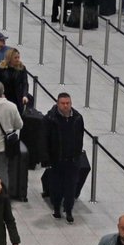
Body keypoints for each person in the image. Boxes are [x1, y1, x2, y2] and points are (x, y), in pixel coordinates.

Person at [44, 92, 85, 223]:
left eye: (68, 103)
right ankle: (56, 208)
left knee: (71, 186)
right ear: (57, 103)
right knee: (56, 186)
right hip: (57, 159)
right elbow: (44, 139)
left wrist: (78, 154)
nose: (66, 106)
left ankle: (68, 210)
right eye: (63, 103)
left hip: (72, 160)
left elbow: (80, 137)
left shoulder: (78, 118)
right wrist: (46, 158)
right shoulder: (50, 118)